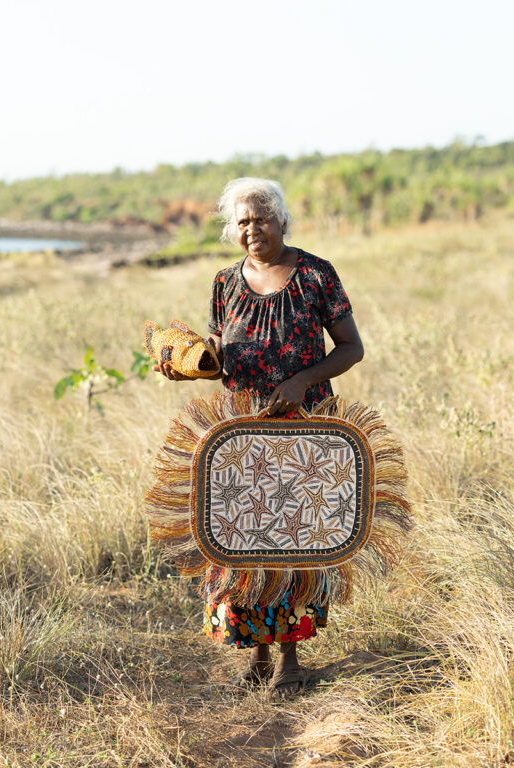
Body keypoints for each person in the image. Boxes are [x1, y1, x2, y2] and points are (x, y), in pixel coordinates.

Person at [156, 177, 364, 697]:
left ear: (281, 221)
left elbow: (351, 348)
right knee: (244, 539)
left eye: (261, 218)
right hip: (241, 433)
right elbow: (221, 347)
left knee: (291, 540)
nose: (252, 229)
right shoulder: (225, 282)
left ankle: (290, 660)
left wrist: (302, 381)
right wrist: (193, 362)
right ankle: (258, 653)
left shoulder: (315, 274)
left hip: (302, 431)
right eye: (243, 221)